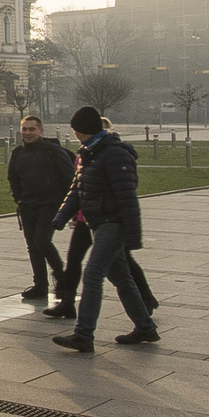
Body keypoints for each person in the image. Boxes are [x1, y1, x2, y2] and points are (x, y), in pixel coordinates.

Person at [49, 106, 156, 351]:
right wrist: (60, 217)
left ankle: (84, 335)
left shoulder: (114, 154)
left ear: (79, 131)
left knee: (93, 274)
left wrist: (133, 236)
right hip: (97, 223)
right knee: (122, 278)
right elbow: (77, 190)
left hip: (113, 223)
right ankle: (145, 327)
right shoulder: (90, 153)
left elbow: (127, 197)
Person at [7, 116, 71, 300]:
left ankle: (61, 279)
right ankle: (40, 285)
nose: (27, 133)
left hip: (50, 205)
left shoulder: (53, 151)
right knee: (33, 246)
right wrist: (18, 199)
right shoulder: (18, 153)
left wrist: (67, 205)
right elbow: (13, 178)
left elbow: (69, 177)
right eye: (24, 129)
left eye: (31, 129)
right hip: (28, 206)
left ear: (41, 131)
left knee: (42, 240)